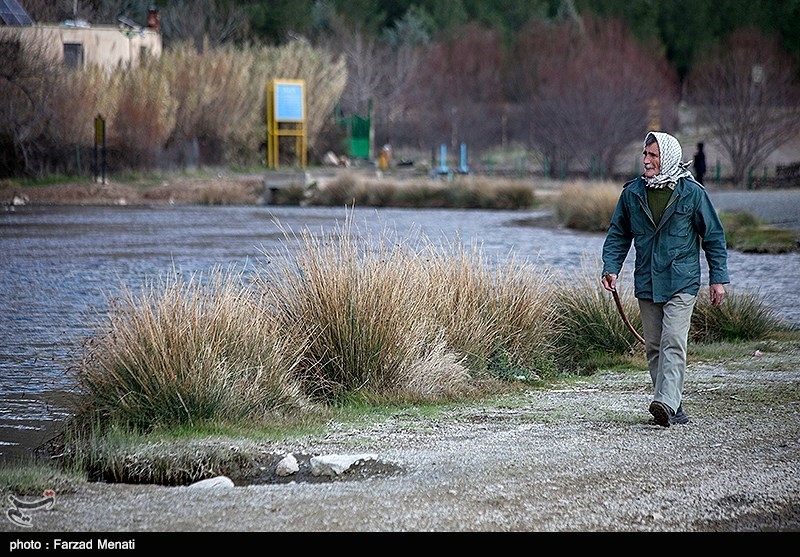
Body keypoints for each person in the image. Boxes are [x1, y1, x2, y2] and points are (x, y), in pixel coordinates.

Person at [601, 131, 729, 428]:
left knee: (673, 341)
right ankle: (674, 406)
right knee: (654, 347)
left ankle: (664, 403)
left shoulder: (693, 193)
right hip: (647, 281)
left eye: (653, 155)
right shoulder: (632, 194)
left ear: (667, 157)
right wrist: (611, 267)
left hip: (682, 280)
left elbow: (713, 236)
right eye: (645, 155)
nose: (646, 160)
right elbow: (618, 234)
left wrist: (717, 278)